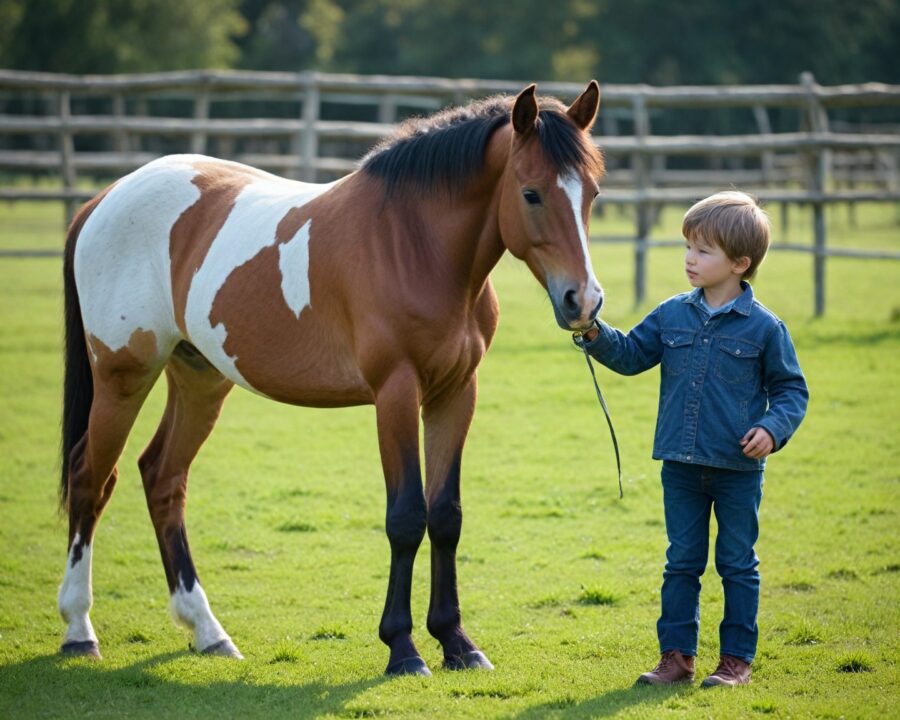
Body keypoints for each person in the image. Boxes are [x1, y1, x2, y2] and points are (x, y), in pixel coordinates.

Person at [575, 191, 808, 687]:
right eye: (688, 247)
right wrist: (593, 333)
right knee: (681, 561)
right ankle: (676, 659)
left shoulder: (765, 328)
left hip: (737, 471)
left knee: (736, 564)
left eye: (703, 251)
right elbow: (633, 353)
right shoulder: (671, 315)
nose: (689, 259)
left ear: (740, 263)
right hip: (679, 466)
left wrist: (772, 428)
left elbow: (791, 390)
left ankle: (736, 662)